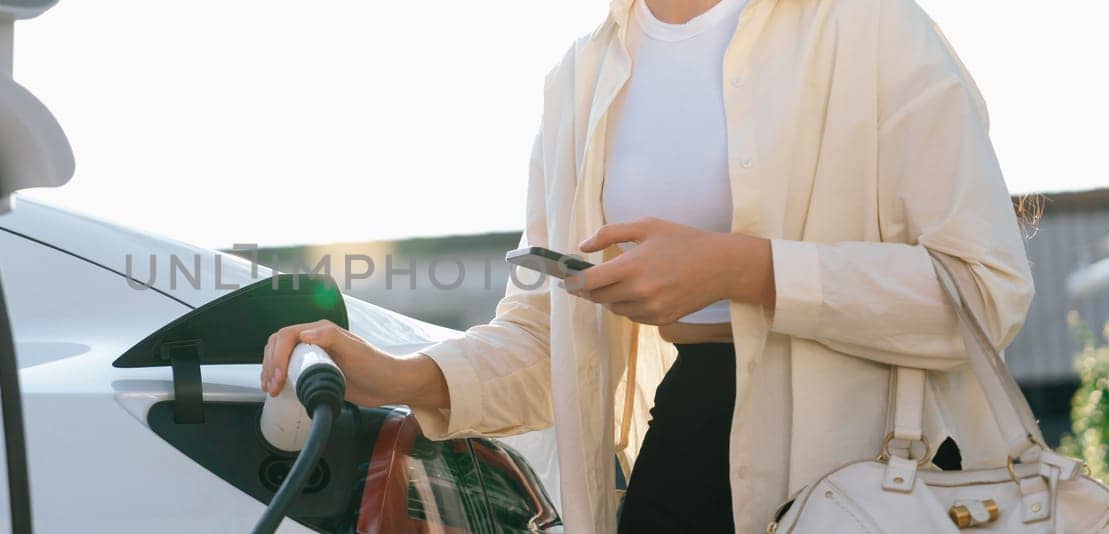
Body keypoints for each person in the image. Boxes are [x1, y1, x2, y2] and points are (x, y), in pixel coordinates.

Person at [260, 0, 1034, 531]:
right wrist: (401, 377)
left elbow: (982, 293)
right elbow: (546, 337)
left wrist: (744, 271)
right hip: (691, 440)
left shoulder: (871, 29)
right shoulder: (578, 80)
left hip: (880, 464)